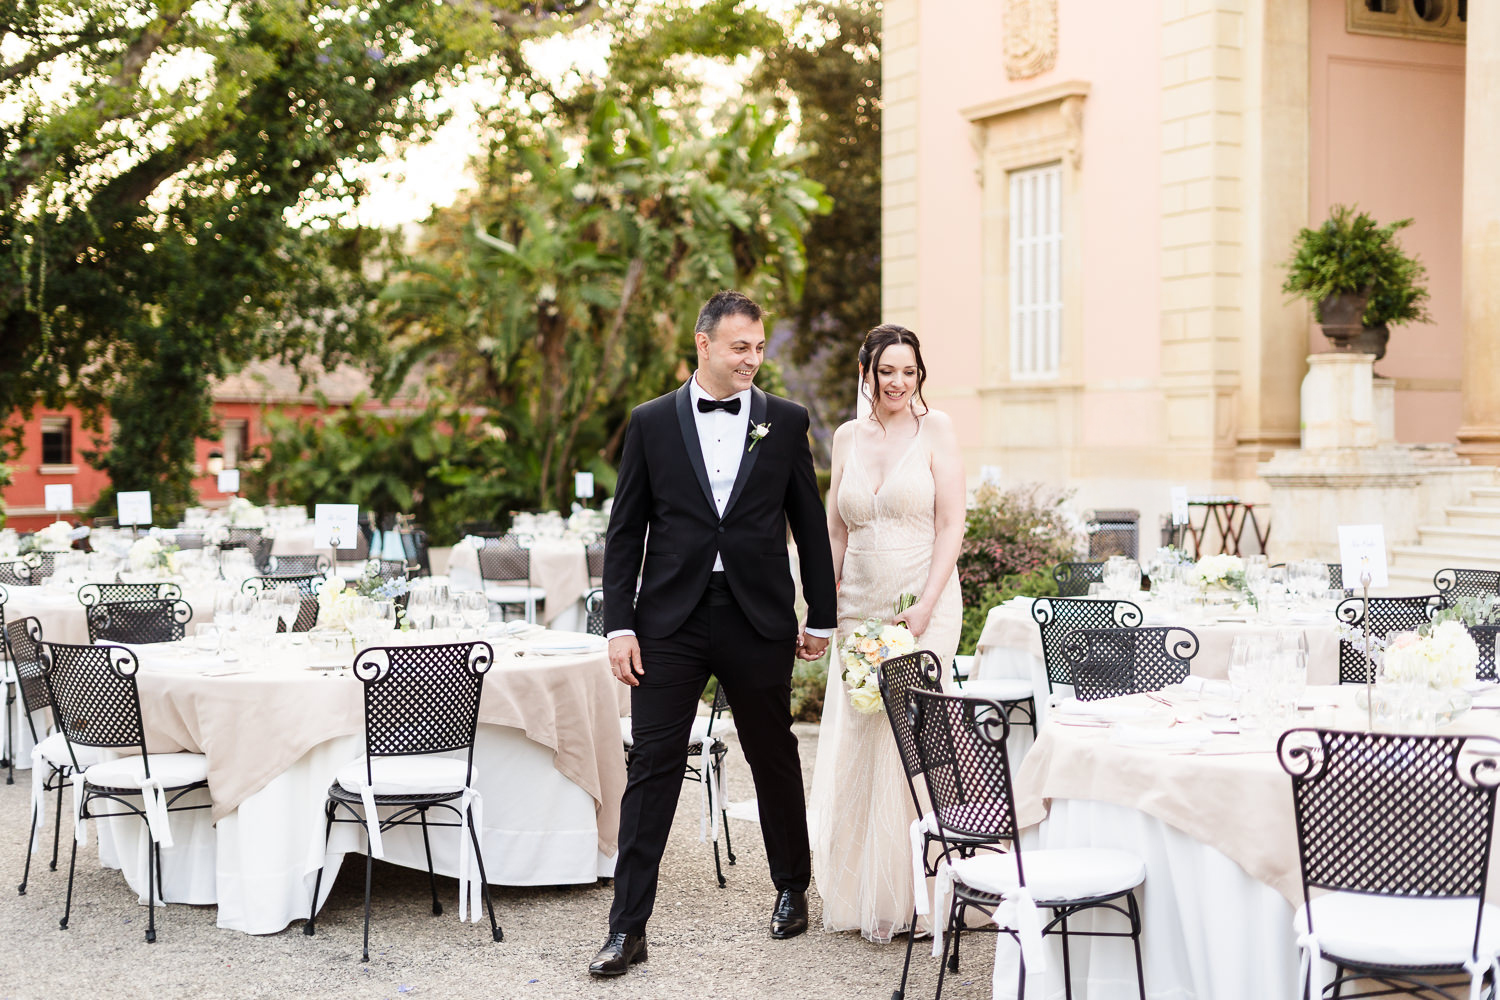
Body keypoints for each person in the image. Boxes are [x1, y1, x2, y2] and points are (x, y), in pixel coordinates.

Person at [590, 289, 838, 977]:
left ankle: (792, 887)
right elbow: (624, 533)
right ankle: (627, 928)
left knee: (772, 752)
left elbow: (809, 523)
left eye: (757, 347)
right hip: (668, 621)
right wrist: (619, 625)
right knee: (652, 765)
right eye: (739, 348)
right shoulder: (650, 422)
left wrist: (820, 615)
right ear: (703, 344)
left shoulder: (786, 421)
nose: (751, 359)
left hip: (757, 616)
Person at [808, 324, 965, 943]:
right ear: (866, 373)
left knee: (914, 739)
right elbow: (836, 531)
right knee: (864, 737)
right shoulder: (847, 436)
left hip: (920, 605)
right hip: (859, 609)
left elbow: (951, 525)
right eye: (887, 372)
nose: (898, 383)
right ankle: (870, 891)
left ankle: (928, 894)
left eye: (909, 371)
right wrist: (822, 610)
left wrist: (925, 605)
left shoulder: (937, 430)